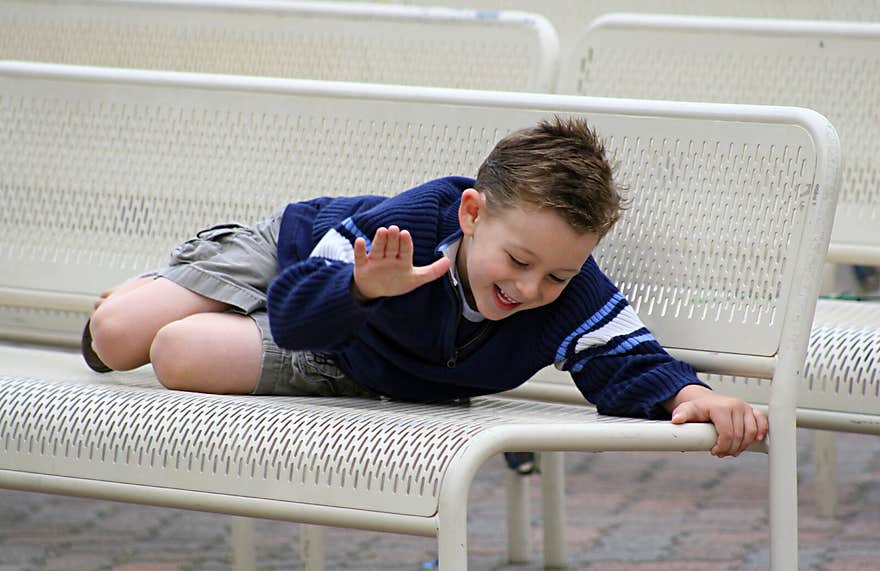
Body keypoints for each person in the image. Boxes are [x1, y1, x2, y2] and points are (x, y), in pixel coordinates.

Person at [83, 115, 767, 460]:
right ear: (472, 214)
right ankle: (179, 277)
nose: (531, 288)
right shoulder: (411, 220)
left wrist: (694, 394)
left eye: (557, 274)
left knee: (177, 352)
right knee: (113, 336)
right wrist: (360, 284)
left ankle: (201, 311)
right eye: (520, 261)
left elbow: (628, 357)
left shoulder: (571, 291)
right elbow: (295, 306)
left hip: (346, 346)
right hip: (302, 259)